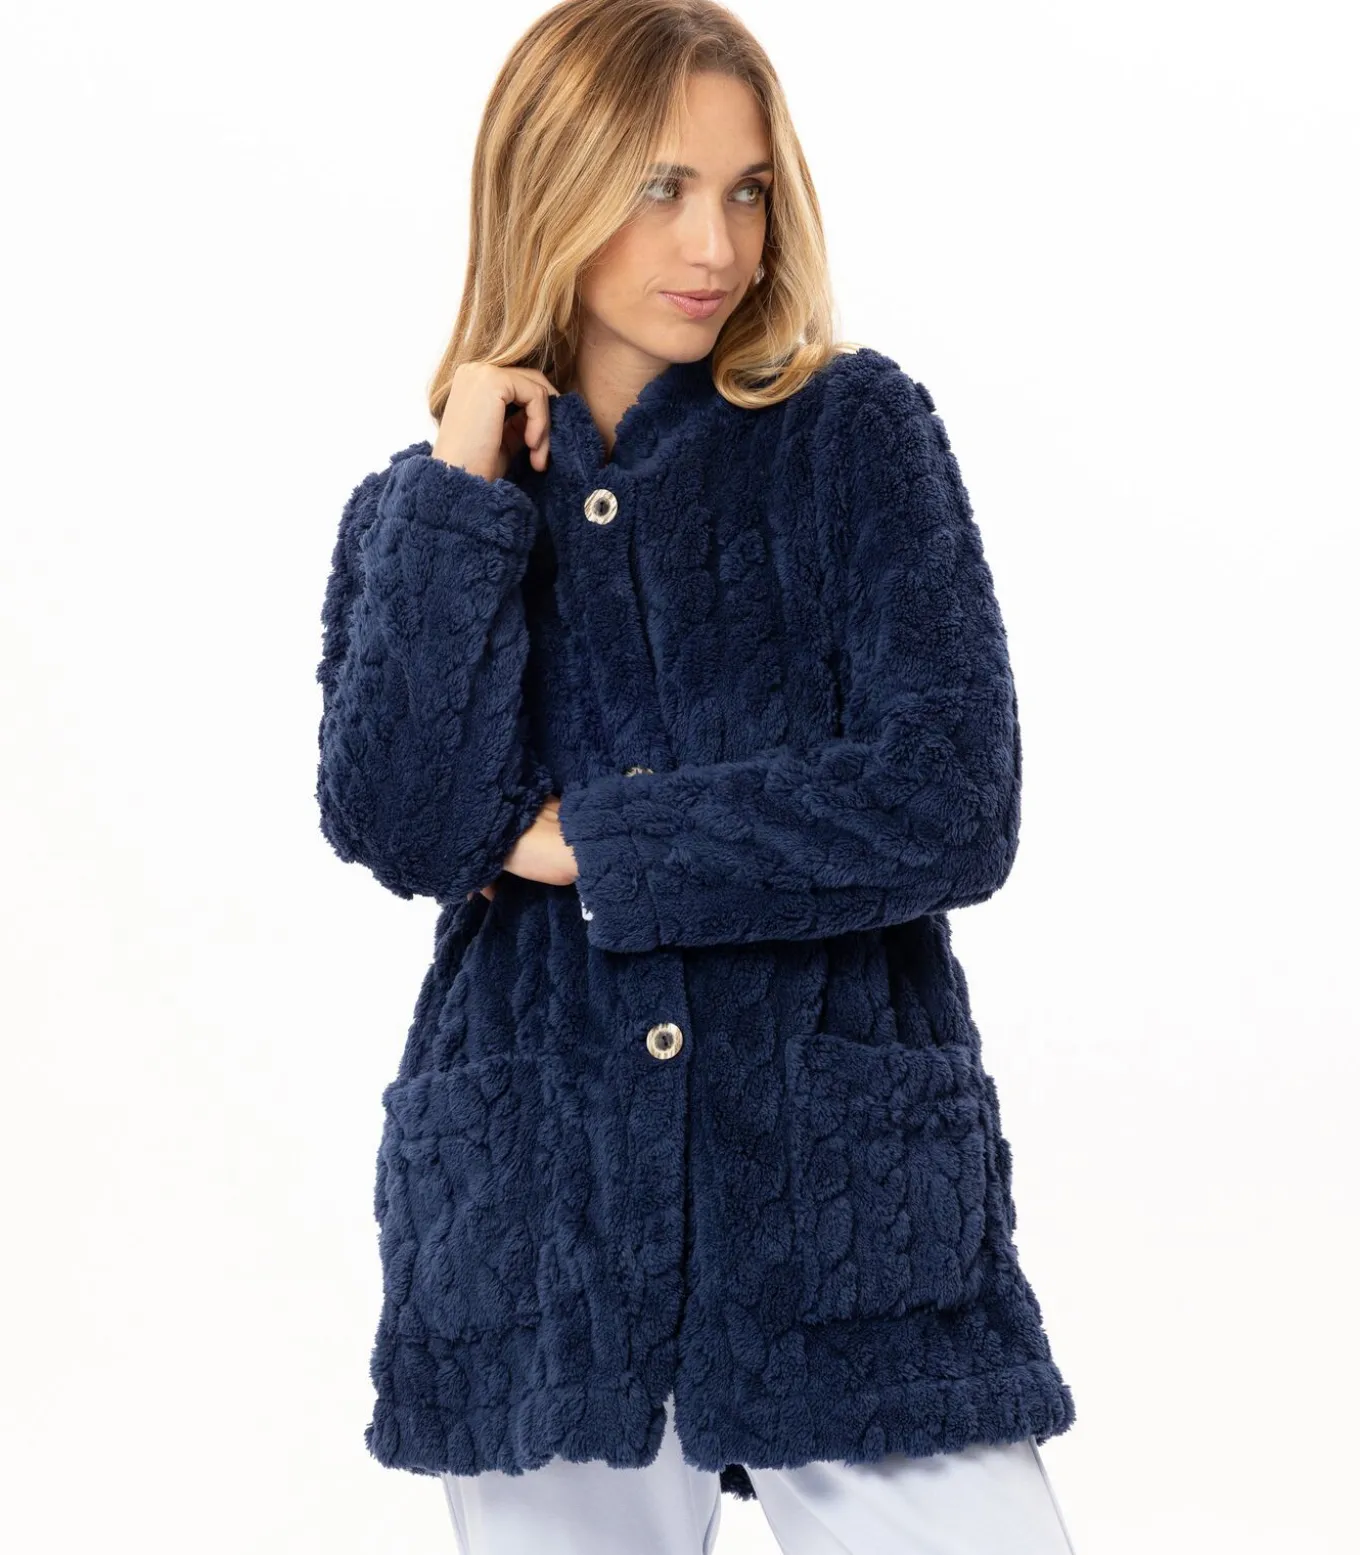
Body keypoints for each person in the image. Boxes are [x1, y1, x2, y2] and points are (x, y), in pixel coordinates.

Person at [313, 1, 1079, 1550]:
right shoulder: (425, 509)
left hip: (834, 1206)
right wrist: (464, 483)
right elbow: (400, 819)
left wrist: (597, 840)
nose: (714, 243)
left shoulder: (849, 435)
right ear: (550, 184)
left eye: (746, 190)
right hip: (544, 1219)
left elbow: (952, 797)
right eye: (661, 186)